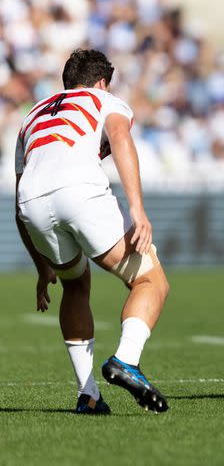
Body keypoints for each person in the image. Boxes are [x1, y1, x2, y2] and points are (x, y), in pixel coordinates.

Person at [14, 49, 171, 414]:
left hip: (31, 202)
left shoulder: (31, 116)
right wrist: (137, 209)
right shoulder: (104, 98)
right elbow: (120, 138)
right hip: (79, 190)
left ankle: (88, 395)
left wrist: (42, 267)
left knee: (74, 283)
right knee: (151, 281)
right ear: (102, 82)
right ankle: (126, 360)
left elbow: (17, 207)